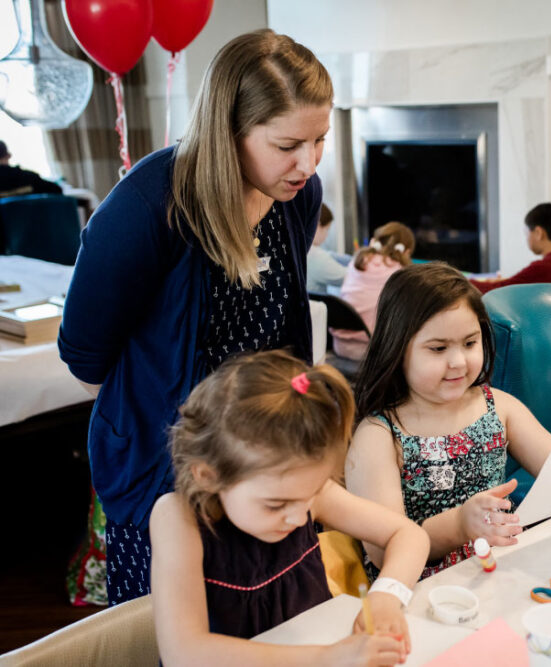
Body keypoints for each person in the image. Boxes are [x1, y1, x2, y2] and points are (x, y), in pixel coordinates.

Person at [58, 30, 333, 605]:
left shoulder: (297, 196)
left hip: (263, 465)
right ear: (228, 132)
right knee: (165, 632)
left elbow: (281, 327)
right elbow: (86, 355)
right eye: (288, 144)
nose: (307, 163)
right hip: (166, 473)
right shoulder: (147, 205)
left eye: (320, 139)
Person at [345, 263, 551, 580]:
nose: (459, 361)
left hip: (502, 573)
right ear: (397, 349)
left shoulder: (497, 406)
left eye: (470, 343)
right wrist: (460, 525)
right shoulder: (379, 436)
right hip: (425, 595)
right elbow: (383, 549)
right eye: (438, 348)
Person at [151, 350, 429, 665]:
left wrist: (388, 596)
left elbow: (408, 534)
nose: (299, 517)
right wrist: (326, 658)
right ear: (209, 476)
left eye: (310, 495)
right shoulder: (178, 519)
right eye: (276, 505)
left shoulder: (303, 493)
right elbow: (184, 653)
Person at [333, 222, 415, 360]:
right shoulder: (399, 272)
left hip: (340, 346)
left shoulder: (357, 261)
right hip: (373, 352)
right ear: (406, 252)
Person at [469, 202, 551, 294]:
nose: (527, 238)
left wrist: (465, 281)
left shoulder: (543, 268)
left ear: (538, 233)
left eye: (527, 233)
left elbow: (500, 291)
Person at [306, 203, 348, 292]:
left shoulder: (300, 249)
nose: (327, 235)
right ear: (316, 225)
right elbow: (350, 277)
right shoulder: (315, 255)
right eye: (327, 229)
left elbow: (331, 256)